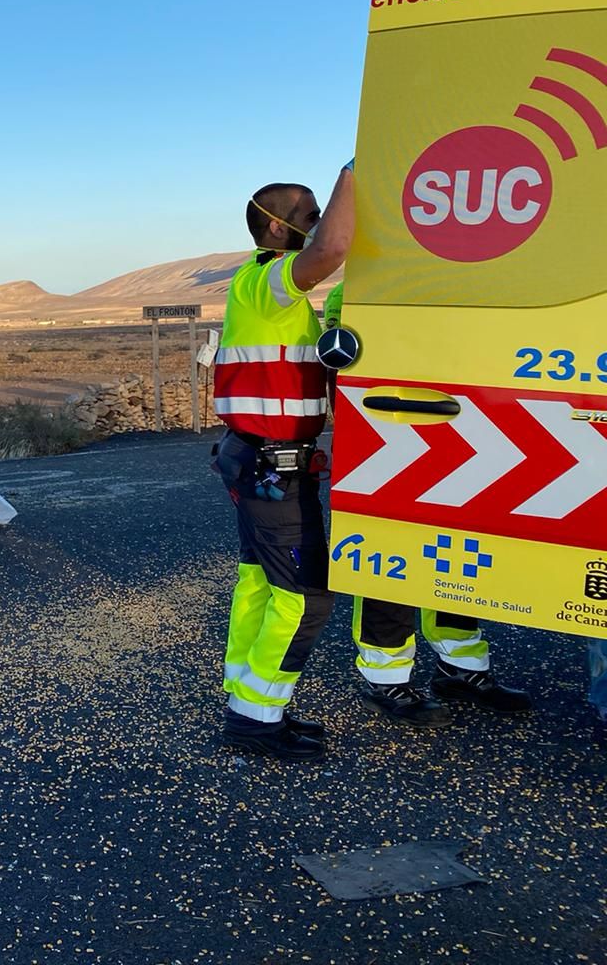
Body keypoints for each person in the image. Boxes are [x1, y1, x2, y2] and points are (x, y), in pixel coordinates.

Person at [322, 282, 531, 721]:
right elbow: (345, 376)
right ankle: (387, 679)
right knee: (390, 564)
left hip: (461, 441)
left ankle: (461, 667)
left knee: (458, 560)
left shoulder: (460, 284)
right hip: (388, 442)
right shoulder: (360, 290)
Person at [211, 160, 355, 760]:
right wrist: (356, 173)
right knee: (305, 596)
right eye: (308, 216)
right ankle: (258, 719)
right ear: (276, 231)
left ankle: (250, 710)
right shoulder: (267, 281)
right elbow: (333, 250)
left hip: (262, 462)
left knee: (261, 587)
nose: (319, 224)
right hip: (273, 467)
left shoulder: (272, 295)